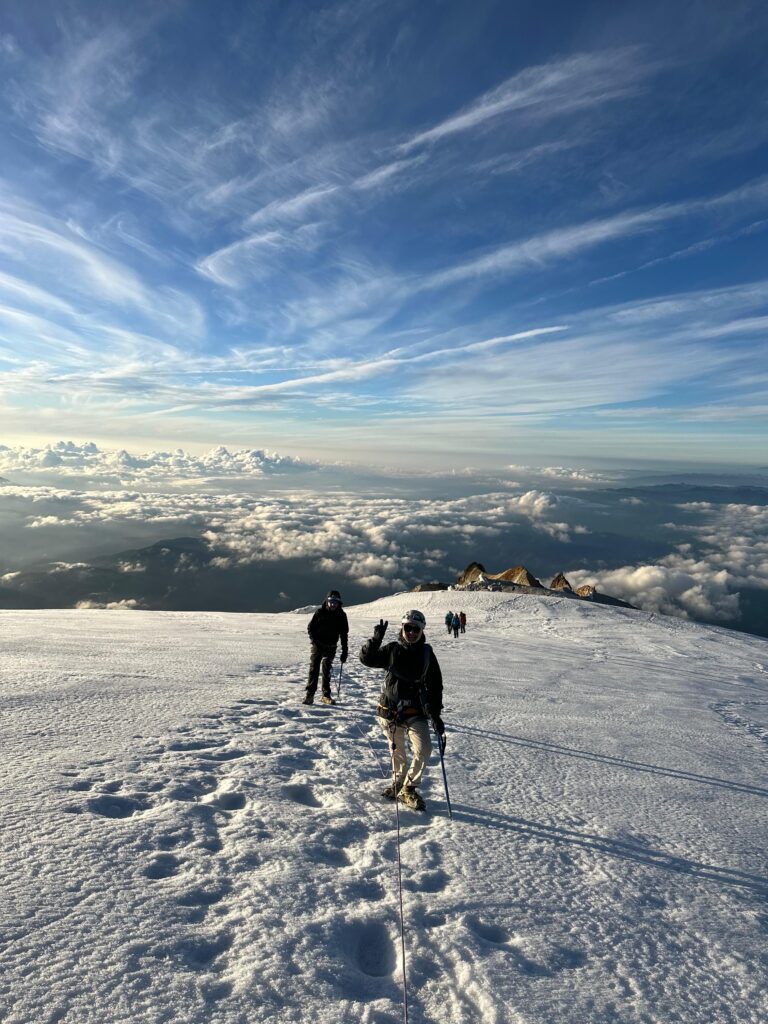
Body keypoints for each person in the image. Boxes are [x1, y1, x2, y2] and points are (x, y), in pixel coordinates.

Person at [359, 609, 444, 811]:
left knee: (424, 749)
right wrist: (375, 640)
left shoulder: (427, 655)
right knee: (398, 754)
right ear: (402, 628)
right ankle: (399, 784)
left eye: (416, 629)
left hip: (416, 712)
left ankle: (409, 787)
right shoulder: (392, 650)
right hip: (390, 711)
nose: (412, 632)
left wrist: (436, 715)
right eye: (408, 628)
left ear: (422, 630)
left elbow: (435, 686)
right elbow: (367, 659)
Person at [303, 590, 349, 705]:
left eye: (335, 602)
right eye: (331, 601)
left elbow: (344, 634)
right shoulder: (320, 613)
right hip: (318, 644)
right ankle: (310, 695)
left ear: (339, 603)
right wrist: (315, 642)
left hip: (331, 646)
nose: (333, 604)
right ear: (327, 601)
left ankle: (326, 695)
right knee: (314, 669)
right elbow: (310, 628)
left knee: (326, 669)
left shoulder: (341, 616)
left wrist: (345, 651)